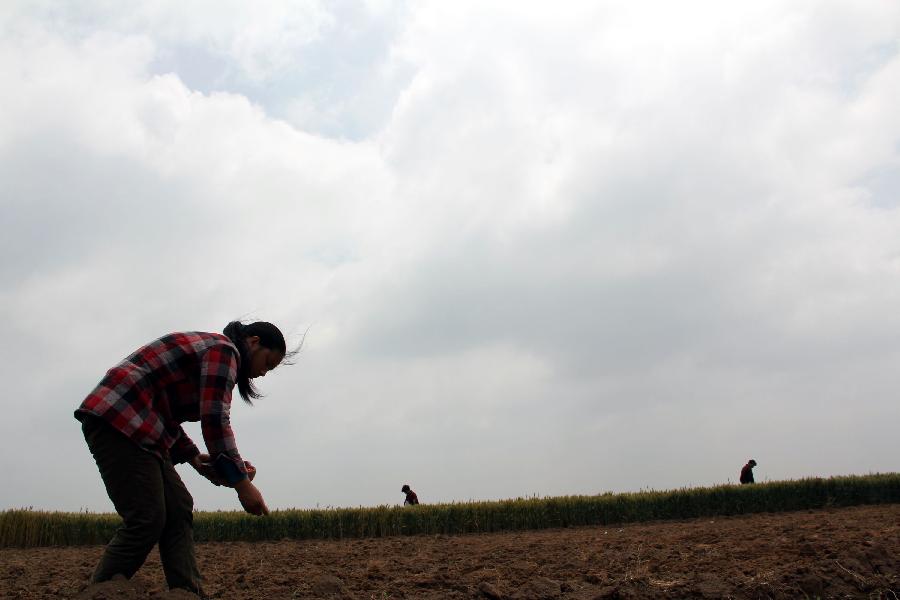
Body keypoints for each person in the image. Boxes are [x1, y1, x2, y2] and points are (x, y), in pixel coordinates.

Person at [74, 321, 291, 597]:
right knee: (147, 517)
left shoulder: (213, 351)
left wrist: (193, 458)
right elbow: (215, 420)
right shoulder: (225, 351)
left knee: (178, 507)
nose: (262, 373)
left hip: (140, 425)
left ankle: (186, 594)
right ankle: (97, 593)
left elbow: (165, 412)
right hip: (119, 418)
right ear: (253, 342)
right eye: (267, 363)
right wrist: (241, 484)